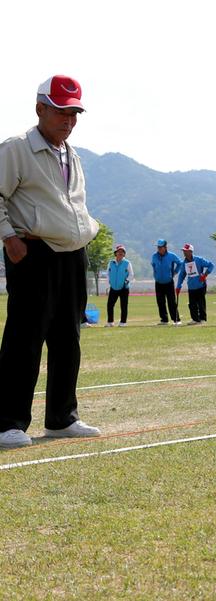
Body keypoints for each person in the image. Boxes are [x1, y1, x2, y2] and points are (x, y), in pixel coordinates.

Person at [0, 74, 101, 447]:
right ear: (40, 108)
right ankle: (6, 422)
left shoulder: (71, 154)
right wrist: (8, 236)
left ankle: (62, 417)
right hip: (33, 252)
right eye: (61, 111)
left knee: (67, 337)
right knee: (24, 337)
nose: (69, 120)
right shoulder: (16, 149)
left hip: (72, 254)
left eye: (74, 113)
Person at [175, 243, 214, 324]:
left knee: (201, 303)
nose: (184, 252)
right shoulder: (184, 263)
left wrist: (205, 274)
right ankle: (195, 319)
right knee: (192, 304)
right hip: (191, 286)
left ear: (191, 251)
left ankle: (202, 319)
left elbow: (211, 265)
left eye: (186, 251)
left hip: (201, 285)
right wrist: (178, 286)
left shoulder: (199, 260)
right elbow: (182, 275)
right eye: (183, 251)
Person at [151, 238, 182, 325]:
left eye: (161, 247)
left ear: (165, 247)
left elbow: (180, 263)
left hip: (169, 282)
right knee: (160, 302)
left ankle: (176, 320)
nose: (159, 249)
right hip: (158, 282)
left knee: (171, 301)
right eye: (158, 247)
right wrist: (155, 275)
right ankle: (164, 320)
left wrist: (175, 272)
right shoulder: (154, 256)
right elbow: (153, 265)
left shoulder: (171, 256)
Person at [105, 244, 134, 327]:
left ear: (124, 254)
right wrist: (109, 283)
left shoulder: (127, 263)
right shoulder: (111, 263)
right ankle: (110, 322)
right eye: (119, 251)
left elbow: (131, 275)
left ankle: (123, 322)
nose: (120, 253)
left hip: (124, 288)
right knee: (110, 305)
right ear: (115, 253)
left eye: (122, 252)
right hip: (113, 287)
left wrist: (126, 281)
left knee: (123, 305)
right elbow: (107, 273)